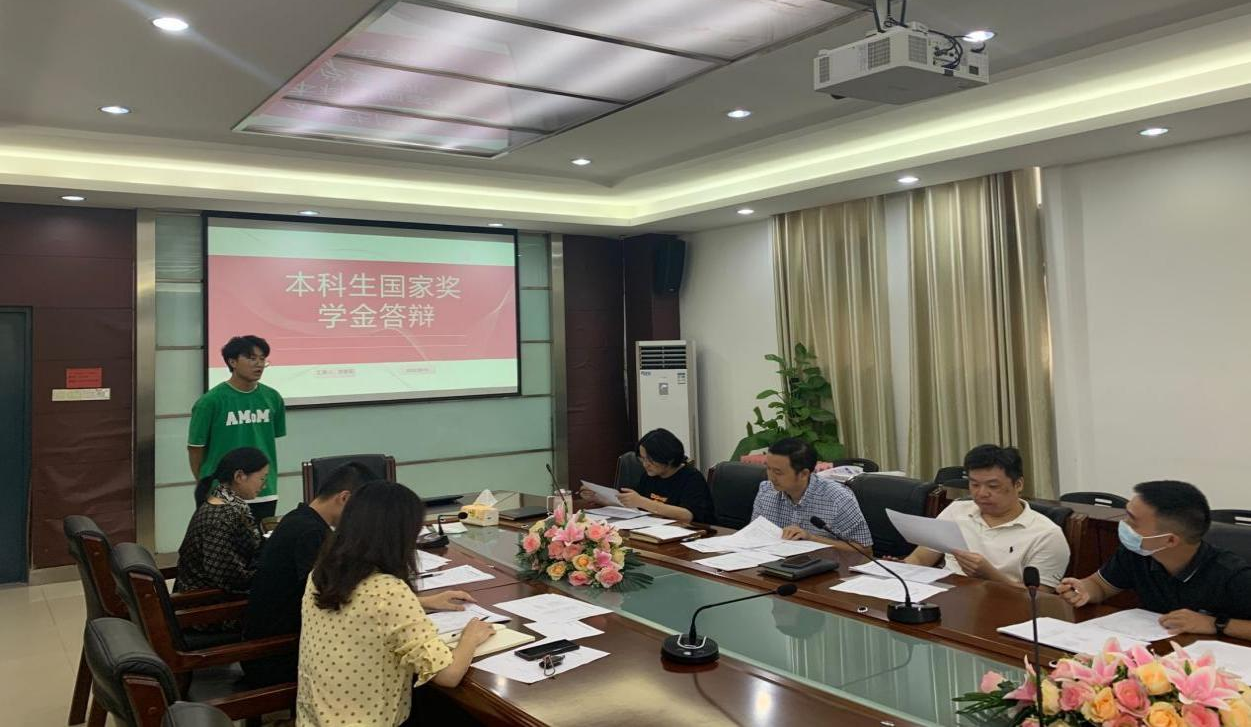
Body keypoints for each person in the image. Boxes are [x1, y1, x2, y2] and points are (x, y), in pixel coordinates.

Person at [298, 481, 491, 726]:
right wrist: (470, 638)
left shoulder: (320, 574)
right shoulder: (389, 592)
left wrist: (423, 602)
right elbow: (448, 675)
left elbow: (359, 607)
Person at [1058, 480, 1250, 641]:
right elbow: (1100, 585)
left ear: (1170, 540)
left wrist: (1215, 624)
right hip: (1157, 651)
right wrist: (1085, 590)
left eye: (1133, 521)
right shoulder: (1137, 553)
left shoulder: (1233, 575)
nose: (1124, 525)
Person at [241, 461, 373, 687]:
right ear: (344, 498)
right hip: (277, 654)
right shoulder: (310, 533)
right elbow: (328, 598)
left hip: (273, 642)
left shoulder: (299, 518)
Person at [902, 444, 1071, 589]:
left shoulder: (1046, 535)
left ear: (1018, 484)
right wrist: (898, 569)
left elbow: (1039, 599)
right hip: (947, 598)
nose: (982, 493)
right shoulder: (956, 511)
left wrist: (989, 575)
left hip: (1004, 609)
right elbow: (920, 558)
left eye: (993, 486)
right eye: (974, 484)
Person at [188, 335, 286, 522]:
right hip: (221, 491)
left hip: (263, 490)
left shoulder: (273, 397)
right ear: (232, 362)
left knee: (260, 538)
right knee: (220, 539)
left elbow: (269, 439)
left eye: (262, 359)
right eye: (252, 358)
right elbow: (195, 448)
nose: (259, 364)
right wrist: (205, 482)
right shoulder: (210, 402)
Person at [175, 447, 268, 595]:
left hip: (216, 591)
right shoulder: (221, 517)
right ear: (239, 476)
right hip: (208, 601)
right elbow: (232, 579)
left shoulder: (228, 503)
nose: (265, 485)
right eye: (262, 478)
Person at [751, 438, 872, 551]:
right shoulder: (766, 490)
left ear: (804, 474)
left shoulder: (838, 498)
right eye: (768, 469)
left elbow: (864, 550)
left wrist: (811, 538)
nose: (771, 477)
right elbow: (753, 536)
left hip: (824, 564)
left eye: (778, 472)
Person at [610, 429, 715, 524]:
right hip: (656, 527)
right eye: (643, 459)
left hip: (692, 532)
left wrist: (642, 502)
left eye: (650, 460)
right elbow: (637, 504)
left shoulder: (692, 478)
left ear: (669, 459)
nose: (645, 464)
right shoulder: (650, 475)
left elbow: (687, 516)